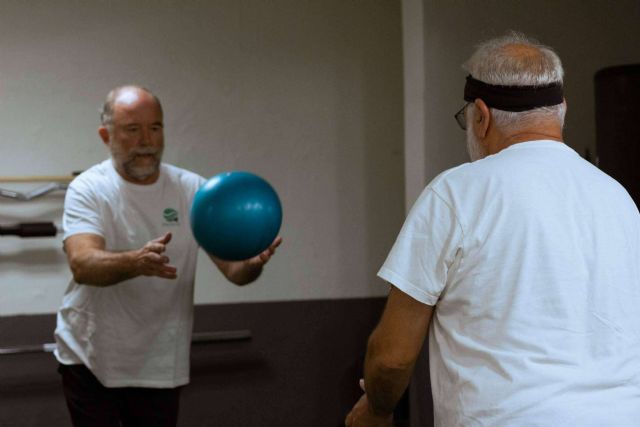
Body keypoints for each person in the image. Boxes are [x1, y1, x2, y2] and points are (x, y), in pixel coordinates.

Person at [346, 32, 640, 427]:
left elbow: (393, 357)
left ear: (480, 116)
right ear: (561, 108)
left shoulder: (456, 193)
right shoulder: (618, 199)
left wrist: (377, 411)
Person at [54, 85, 281, 427]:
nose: (147, 140)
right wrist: (136, 262)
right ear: (106, 135)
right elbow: (83, 264)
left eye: (155, 127)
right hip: (90, 358)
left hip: (159, 363)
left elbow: (235, 273)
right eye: (133, 129)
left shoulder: (192, 190)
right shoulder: (89, 188)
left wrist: (252, 263)